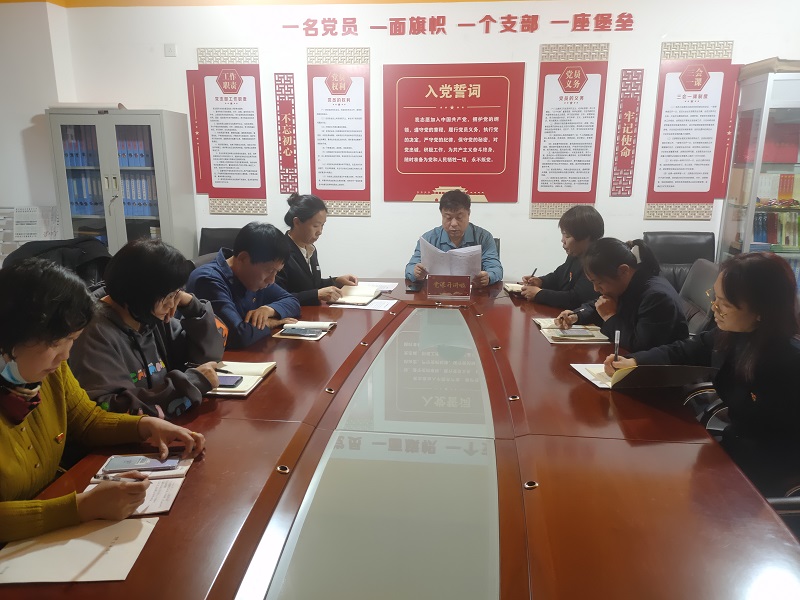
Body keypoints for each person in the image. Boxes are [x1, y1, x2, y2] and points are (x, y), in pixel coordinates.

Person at [0, 258, 206, 543]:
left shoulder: (51, 372)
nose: (65, 356)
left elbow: (86, 420)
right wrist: (80, 508)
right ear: (10, 337)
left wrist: (145, 426)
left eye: (72, 340)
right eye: (56, 343)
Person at [605, 252, 800, 495]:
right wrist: (634, 362)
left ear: (762, 311)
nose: (714, 307)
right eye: (714, 297)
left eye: (725, 304)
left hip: (767, 474)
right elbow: (684, 350)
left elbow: (778, 444)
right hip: (731, 451)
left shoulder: (789, 364)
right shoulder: (732, 335)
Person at [70, 239, 224, 418]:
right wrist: (191, 384)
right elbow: (110, 408)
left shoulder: (147, 316)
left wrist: (191, 306)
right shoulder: (93, 331)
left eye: (176, 294)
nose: (172, 304)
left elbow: (210, 357)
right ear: (140, 294)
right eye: (169, 296)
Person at [554, 238, 688, 352]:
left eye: (599, 282)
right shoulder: (628, 283)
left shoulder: (656, 297)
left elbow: (640, 346)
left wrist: (609, 316)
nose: (596, 289)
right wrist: (576, 315)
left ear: (623, 271)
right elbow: (600, 304)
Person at [187, 222, 301, 349]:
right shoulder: (208, 280)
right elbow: (237, 335)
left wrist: (268, 310)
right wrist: (269, 323)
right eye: (269, 271)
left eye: (277, 272)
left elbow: (292, 301)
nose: (272, 280)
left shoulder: (253, 276)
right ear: (243, 258)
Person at [405, 189, 502, 288]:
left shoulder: (483, 237)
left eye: (459, 217)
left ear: (468, 214)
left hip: (474, 293)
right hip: (439, 291)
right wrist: (416, 272)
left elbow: (496, 268)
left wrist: (488, 277)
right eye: (448, 218)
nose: (454, 223)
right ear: (442, 215)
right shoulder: (428, 239)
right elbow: (410, 268)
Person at [276, 193, 358, 306]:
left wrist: (336, 281)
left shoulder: (310, 249)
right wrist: (316, 294)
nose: (320, 232)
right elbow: (278, 297)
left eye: (322, 225)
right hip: (294, 314)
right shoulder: (280, 252)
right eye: (315, 226)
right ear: (297, 222)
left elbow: (312, 285)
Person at [520, 205, 604, 308]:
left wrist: (539, 294)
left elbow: (577, 299)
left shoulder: (597, 262)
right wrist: (541, 281)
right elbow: (558, 276)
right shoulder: (575, 255)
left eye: (567, 236)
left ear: (586, 237)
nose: (562, 240)